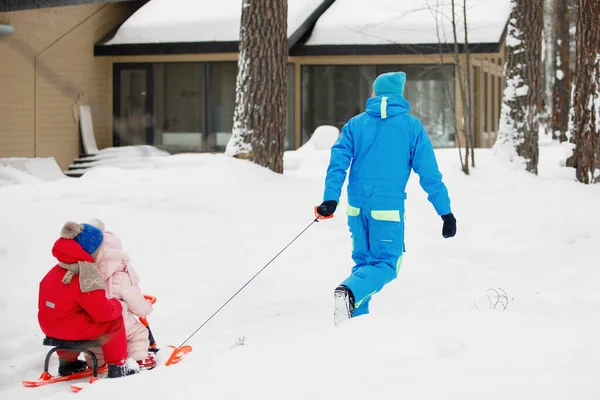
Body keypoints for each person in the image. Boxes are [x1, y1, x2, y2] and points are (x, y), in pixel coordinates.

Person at [315, 72, 457, 326]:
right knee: (387, 264)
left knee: (364, 263)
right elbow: (429, 175)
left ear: (376, 93)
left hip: (357, 208)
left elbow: (337, 164)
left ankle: (354, 322)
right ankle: (349, 293)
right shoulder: (411, 127)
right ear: (398, 94)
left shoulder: (355, 125)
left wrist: (331, 199)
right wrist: (445, 212)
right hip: (387, 209)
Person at [38, 222, 140, 378]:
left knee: (66, 316)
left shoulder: (56, 270)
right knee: (113, 322)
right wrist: (117, 305)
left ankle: (68, 363)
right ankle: (118, 366)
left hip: (49, 327)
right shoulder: (87, 276)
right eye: (101, 250)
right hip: (71, 329)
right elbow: (103, 314)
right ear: (92, 252)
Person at [86, 219, 156, 370]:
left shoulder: (87, 272)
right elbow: (137, 305)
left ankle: (95, 362)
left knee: (97, 339)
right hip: (116, 319)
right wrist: (147, 308)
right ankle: (139, 359)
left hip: (92, 321)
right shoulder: (123, 274)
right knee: (137, 333)